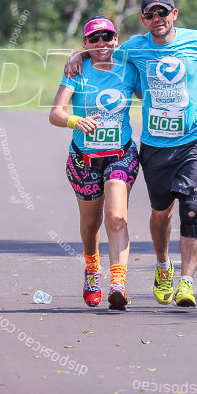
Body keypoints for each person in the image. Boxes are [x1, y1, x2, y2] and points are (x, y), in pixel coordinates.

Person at [65, 0, 197, 307]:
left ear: (174, 14)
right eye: (150, 14)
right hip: (155, 146)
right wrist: (77, 56)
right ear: (143, 19)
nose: (157, 19)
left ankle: (186, 283)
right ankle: (163, 265)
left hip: (195, 138)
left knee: (192, 208)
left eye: (163, 13)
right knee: (161, 214)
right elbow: (103, 52)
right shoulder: (135, 47)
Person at [49, 16, 139, 310]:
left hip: (120, 155)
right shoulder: (77, 70)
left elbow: (158, 94)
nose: (102, 43)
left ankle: (118, 284)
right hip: (84, 159)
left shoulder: (129, 67)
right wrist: (77, 121)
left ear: (116, 39)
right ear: (85, 43)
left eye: (107, 37)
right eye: (94, 39)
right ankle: (91, 269)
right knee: (91, 224)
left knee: (115, 217)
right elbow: (56, 113)